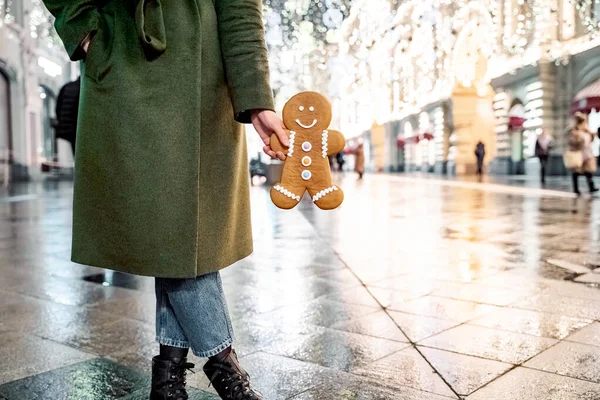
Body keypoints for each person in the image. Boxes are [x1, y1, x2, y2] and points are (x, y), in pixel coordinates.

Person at [42, 1, 288, 399]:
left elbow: (240, 8)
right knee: (174, 228)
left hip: (206, 75)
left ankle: (168, 378)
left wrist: (257, 98)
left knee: (182, 234)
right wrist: (83, 28)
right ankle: (227, 373)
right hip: (123, 57)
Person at [567, 112, 598, 196]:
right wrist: (578, 141)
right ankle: (576, 188)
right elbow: (571, 142)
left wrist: (592, 135)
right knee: (576, 172)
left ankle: (591, 187)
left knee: (588, 171)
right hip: (578, 153)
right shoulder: (573, 131)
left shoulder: (587, 131)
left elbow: (590, 141)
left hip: (587, 153)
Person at [53, 76, 81, 156]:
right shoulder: (85, 89)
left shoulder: (66, 87)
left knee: (76, 154)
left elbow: (58, 109)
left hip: (69, 129)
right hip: (79, 128)